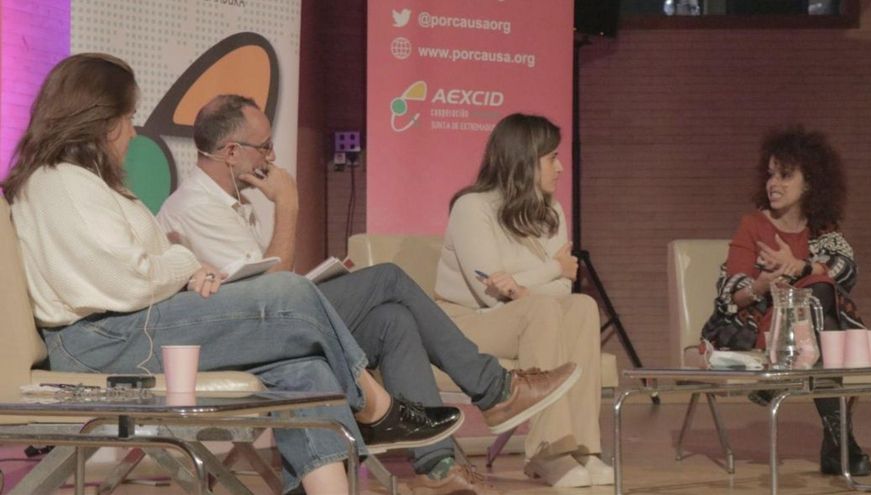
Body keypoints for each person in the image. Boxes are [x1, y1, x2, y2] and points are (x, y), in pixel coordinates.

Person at [1, 53, 466, 495]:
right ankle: (377, 407)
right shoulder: (60, 183)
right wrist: (186, 266)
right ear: (103, 122)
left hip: (124, 329)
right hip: (103, 343)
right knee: (289, 293)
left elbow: (134, 270)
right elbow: (126, 281)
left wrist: (188, 272)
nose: (133, 132)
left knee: (304, 366)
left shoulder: (81, 182)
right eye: (128, 118)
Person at [157, 95, 582, 494]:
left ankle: (437, 466)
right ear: (231, 153)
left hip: (267, 323)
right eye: (264, 147)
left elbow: (264, 285)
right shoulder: (197, 206)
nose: (272, 158)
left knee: (391, 319)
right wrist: (289, 206)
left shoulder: (232, 204)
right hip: (241, 340)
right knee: (388, 280)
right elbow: (272, 293)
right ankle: (495, 390)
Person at [433, 113, 614, 488]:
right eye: (552, 158)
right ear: (523, 160)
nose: (560, 167)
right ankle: (548, 451)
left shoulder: (551, 212)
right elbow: (489, 289)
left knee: (582, 307)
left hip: (523, 315)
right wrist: (550, 270)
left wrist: (525, 285)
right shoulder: (473, 207)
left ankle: (581, 447)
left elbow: (564, 289)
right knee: (542, 308)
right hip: (464, 323)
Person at [701, 125, 871, 476]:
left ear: (809, 182)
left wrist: (802, 265)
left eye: (785, 175)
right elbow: (731, 294)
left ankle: (837, 440)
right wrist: (764, 284)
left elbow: (847, 270)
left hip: (814, 335)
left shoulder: (821, 228)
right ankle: (840, 440)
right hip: (766, 326)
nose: (773, 183)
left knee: (824, 300)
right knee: (825, 302)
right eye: (770, 175)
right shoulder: (753, 225)